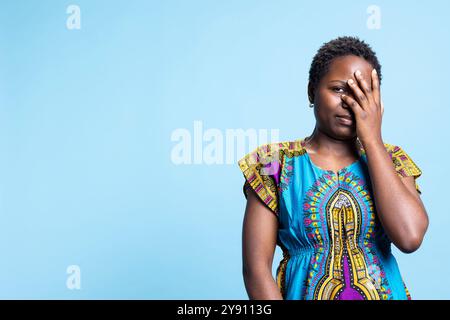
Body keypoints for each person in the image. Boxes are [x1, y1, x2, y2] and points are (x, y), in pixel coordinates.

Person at [238, 36, 429, 300]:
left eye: (364, 93)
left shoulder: (393, 160)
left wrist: (372, 140)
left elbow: (409, 237)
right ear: (311, 91)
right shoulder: (274, 165)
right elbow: (256, 270)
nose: (350, 102)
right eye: (339, 89)